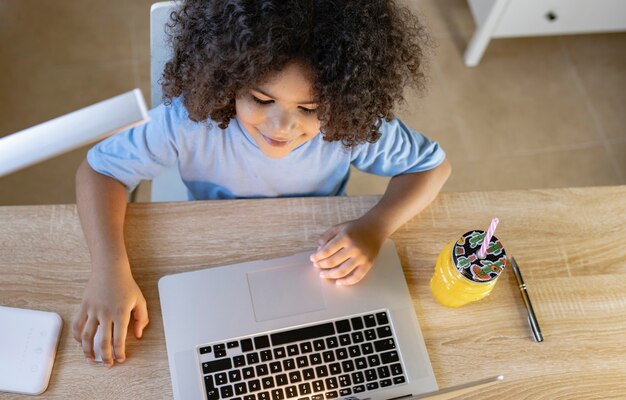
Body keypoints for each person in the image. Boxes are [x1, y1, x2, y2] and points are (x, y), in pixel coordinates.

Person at [72, 0, 451, 368]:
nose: (281, 127)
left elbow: (432, 168)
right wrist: (109, 271)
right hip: (212, 249)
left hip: (310, 258)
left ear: (346, 100)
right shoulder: (187, 121)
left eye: (310, 108)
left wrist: (375, 227)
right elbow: (100, 172)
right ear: (227, 78)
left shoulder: (349, 128)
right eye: (260, 98)